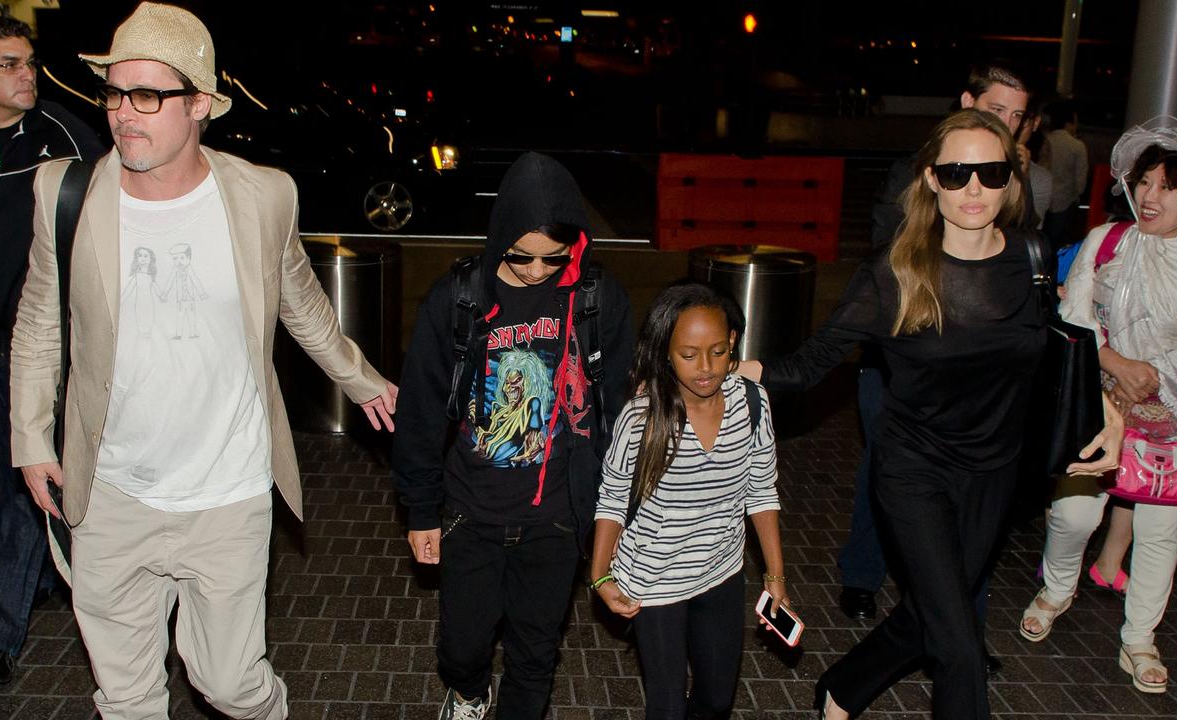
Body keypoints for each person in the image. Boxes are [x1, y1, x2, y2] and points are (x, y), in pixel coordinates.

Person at [7, 4, 397, 717]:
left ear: (199, 105)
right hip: (111, 494)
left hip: (227, 492)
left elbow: (301, 302)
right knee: (126, 698)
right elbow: (39, 323)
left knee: (230, 684)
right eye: (114, 93)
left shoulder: (262, 195)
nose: (125, 114)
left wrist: (360, 377)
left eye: (148, 95)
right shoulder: (62, 195)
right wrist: (31, 439)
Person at [739, 109, 1122, 720]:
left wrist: (1104, 405)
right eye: (957, 171)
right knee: (958, 646)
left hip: (995, 474)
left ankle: (842, 687)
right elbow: (812, 362)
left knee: (929, 614)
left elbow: (1053, 349)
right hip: (914, 472)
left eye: (990, 171)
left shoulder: (1032, 255)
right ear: (931, 180)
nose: (974, 187)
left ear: (1011, 180)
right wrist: (733, 373)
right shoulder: (895, 272)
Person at [390, 151, 634, 720]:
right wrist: (420, 510)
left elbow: (619, 413)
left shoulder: (596, 300)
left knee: (535, 651)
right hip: (470, 512)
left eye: (553, 257)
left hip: (558, 516)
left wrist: (616, 514)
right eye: (520, 255)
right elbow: (423, 413)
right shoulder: (461, 299)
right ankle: (470, 692)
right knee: (462, 647)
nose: (534, 270)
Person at [1022, 116, 1177, 695]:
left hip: (1174, 415)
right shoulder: (1106, 239)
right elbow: (1074, 317)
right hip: (1098, 403)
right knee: (1074, 515)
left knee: (1161, 533)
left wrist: (1154, 377)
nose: (1150, 196)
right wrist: (1116, 366)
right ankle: (1057, 588)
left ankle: (1139, 638)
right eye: (1143, 182)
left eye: (1167, 185)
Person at [844, 59, 1036, 640]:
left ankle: (960, 628)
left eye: (1018, 117)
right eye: (996, 109)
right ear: (966, 102)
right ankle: (862, 575)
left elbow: (1025, 274)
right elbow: (886, 262)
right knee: (888, 467)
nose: (1008, 123)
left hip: (981, 374)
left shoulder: (1016, 183)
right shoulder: (919, 172)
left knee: (973, 507)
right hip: (907, 359)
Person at [0, 14, 104, 684]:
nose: (26, 74)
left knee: (25, 477)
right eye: (8, 63)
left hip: (56, 347)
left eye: (30, 61)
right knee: (23, 479)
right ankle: (41, 570)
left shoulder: (64, 135)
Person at [589, 283, 785, 720]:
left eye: (717, 351)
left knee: (716, 700)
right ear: (665, 352)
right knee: (668, 707)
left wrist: (775, 576)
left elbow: (762, 490)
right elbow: (613, 496)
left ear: (733, 342)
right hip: (655, 578)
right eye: (688, 354)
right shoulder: (643, 415)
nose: (705, 368)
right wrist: (600, 576)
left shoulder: (752, 403)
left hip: (721, 569)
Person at [1040, 100, 1090, 255]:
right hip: (1065, 202)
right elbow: (1081, 181)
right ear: (1069, 123)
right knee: (1059, 246)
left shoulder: (1045, 140)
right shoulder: (1077, 146)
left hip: (1042, 200)